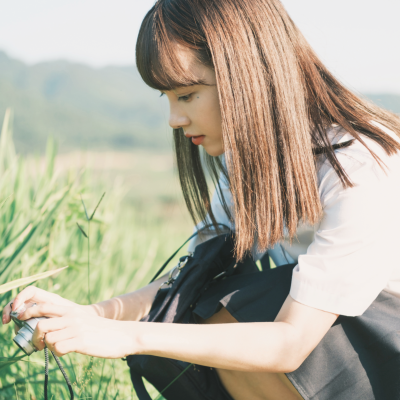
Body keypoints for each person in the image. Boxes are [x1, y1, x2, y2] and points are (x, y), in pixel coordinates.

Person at [3, 0, 400, 399]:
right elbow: (188, 282)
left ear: (250, 76)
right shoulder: (249, 161)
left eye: (188, 95)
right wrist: (89, 316)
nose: (174, 119)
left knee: (248, 307)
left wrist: (126, 336)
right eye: (168, 98)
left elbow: (291, 342)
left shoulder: (359, 164)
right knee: (207, 304)